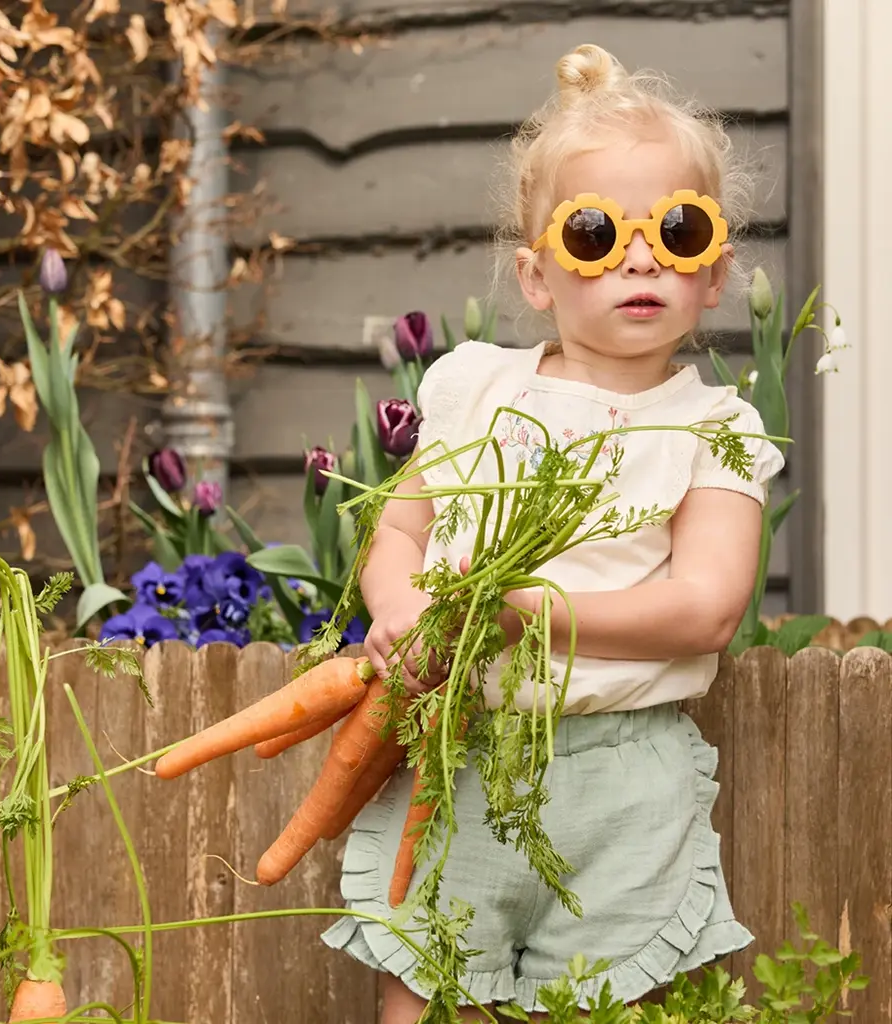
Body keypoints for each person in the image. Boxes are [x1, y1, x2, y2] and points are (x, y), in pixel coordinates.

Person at [321, 42, 784, 1022]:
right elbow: (398, 532)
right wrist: (400, 610)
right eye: (593, 232)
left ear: (713, 273)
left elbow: (706, 609)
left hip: (622, 780)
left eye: (678, 229)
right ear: (536, 275)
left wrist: (520, 609)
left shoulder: (720, 430)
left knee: (599, 1004)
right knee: (425, 993)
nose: (640, 256)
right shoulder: (476, 388)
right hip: (456, 753)